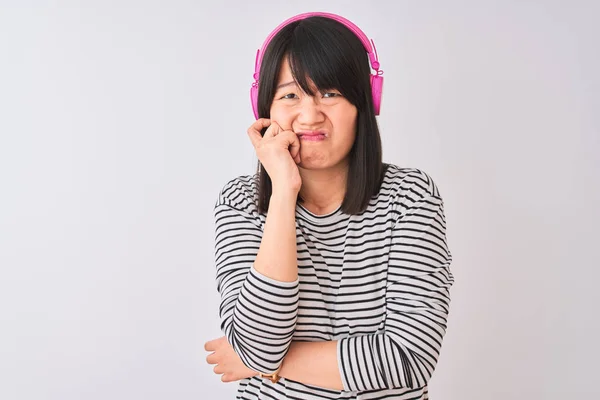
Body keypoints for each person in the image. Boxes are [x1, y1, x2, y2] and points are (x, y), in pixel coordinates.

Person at [204, 12, 454, 400]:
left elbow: (410, 358)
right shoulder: (240, 202)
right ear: (264, 106)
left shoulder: (411, 197)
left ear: (366, 101)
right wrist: (284, 193)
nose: (309, 115)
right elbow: (257, 344)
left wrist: (270, 364)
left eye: (331, 93)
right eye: (290, 95)